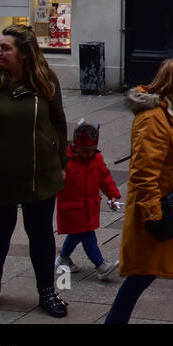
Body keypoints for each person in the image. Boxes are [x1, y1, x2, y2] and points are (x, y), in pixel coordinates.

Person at [0, 25, 70, 318]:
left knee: (41, 235)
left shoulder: (45, 81)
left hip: (39, 173)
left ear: (24, 54)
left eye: (5, 48)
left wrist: (61, 162)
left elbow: (58, 122)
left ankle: (47, 291)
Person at [106, 58, 173, 324]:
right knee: (143, 273)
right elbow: (143, 174)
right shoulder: (154, 119)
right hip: (162, 212)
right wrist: (153, 215)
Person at [54, 120, 122, 280]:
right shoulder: (66, 162)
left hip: (89, 206)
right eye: (84, 151)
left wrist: (113, 195)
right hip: (72, 208)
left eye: (91, 151)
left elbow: (105, 178)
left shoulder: (96, 159)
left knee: (76, 235)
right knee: (87, 236)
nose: (88, 154)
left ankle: (63, 258)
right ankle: (100, 265)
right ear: (76, 147)